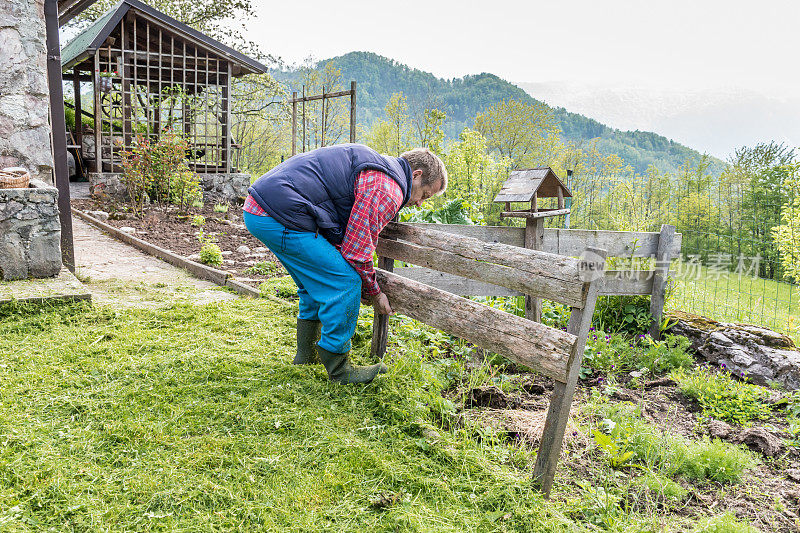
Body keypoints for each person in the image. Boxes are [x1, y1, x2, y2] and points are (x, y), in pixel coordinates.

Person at [243, 144, 448, 384]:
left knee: (313, 284)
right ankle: (340, 369)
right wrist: (374, 292)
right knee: (346, 281)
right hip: (278, 214)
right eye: (425, 195)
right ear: (417, 175)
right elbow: (357, 252)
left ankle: (306, 355)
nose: (421, 203)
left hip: (260, 209)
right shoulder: (387, 189)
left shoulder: (380, 169)